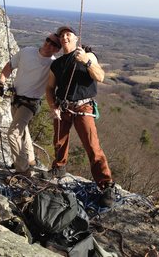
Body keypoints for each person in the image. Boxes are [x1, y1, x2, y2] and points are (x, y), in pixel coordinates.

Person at [44, 26, 115, 207]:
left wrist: (86, 61)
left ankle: (106, 185)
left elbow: (100, 77)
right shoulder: (57, 64)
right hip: (63, 106)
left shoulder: (87, 56)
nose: (64, 37)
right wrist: (53, 106)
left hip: (83, 105)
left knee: (92, 146)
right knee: (59, 141)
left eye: (68, 35)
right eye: (62, 35)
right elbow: (50, 88)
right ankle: (59, 168)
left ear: (76, 38)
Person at [0, 33, 61, 175]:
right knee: (23, 131)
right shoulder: (27, 52)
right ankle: (30, 160)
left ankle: (23, 170)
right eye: (48, 40)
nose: (49, 44)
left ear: (57, 49)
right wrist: (0, 82)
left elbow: (58, 83)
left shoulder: (53, 65)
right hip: (16, 98)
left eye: (54, 44)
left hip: (31, 103)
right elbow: (10, 66)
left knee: (13, 134)